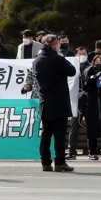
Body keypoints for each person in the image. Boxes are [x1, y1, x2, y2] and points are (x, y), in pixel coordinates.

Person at [32, 34, 77, 172]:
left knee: (46, 134)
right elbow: (72, 71)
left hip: (45, 101)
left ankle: (45, 162)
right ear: (51, 45)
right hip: (59, 101)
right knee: (59, 134)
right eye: (57, 43)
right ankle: (60, 162)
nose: (59, 46)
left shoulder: (37, 60)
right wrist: (63, 58)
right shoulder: (57, 59)